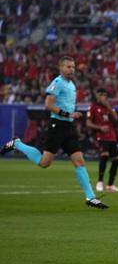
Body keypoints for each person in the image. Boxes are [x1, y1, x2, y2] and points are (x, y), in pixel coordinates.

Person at [0, 55, 108, 209]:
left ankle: (90, 197)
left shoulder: (71, 84)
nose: (72, 69)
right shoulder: (57, 83)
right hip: (57, 126)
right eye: (68, 67)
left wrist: (72, 115)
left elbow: (65, 105)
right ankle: (17, 143)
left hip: (69, 127)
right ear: (61, 68)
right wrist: (67, 114)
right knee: (45, 163)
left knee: (79, 161)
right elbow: (48, 104)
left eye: (73, 67)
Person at [86, 88, 118, 192]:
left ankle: (110, 185)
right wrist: (100, 128)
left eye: (105, 95)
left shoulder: (109, 107)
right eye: (101, 94)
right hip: (101, 136)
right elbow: (88, 123)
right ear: (97, 95)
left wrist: (108, 107)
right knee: (104, 155)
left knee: (117, 159)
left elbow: (116, 119)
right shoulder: (93, 107)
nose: (103, 97)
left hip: (112, 137)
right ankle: (100, 181)